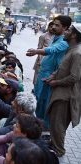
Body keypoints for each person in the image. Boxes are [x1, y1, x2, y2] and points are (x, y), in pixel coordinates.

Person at [26, 15, 72, 129]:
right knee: (38, 99)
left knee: (45, 103)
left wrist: (36, 51)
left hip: (50, 77)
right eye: (53, 24)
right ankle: (39, 124)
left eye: (57, 25)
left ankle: (44, 128)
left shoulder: (65, 41)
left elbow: (52, 50)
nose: (53, 27)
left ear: (65, 28)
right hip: (43, 74)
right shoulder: (54, 37)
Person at [45, 24, 81, 157]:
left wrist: (56, 82)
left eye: (69, 30)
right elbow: (63, 68)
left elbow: (74, 77)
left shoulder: (77, 53)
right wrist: (53, 76)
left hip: (66, 96)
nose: (66, 32)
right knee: (55, 123)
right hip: (60, 93)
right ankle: (53, 144)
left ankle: (58, 152)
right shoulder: (71, 50)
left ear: (74, 35)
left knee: (58, 126)